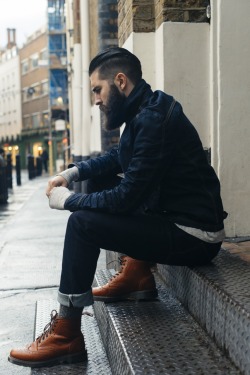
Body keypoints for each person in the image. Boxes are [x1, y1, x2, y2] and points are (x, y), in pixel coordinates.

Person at [8, 47, 227, 368]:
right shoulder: (146, 109)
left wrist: (69, 201)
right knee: (98, 181)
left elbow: (126, 198)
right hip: (173, 221)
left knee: (82, 223)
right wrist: (72, 172)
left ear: (120, 81)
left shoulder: (152, 120)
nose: (95, 99)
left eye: (98, 89)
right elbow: (118, 158)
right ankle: (137, 274)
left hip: (194, 236)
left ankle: (67, 333)